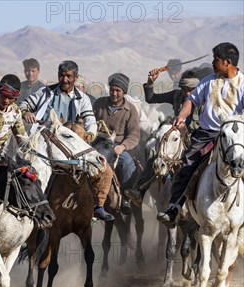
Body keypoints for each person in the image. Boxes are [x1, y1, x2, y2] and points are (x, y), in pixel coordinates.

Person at [157, 42, 244, 227]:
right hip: (206, 134)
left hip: (233, 137)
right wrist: (181, 115)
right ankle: (174, 208)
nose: (213, 63)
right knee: (188, 163)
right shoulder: (209, 81)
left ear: (228, 62)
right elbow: (191, 101)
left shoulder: (242, 84)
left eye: (216, 60)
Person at [19, 60, 115, 221]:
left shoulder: (82, 98)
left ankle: (98, 206)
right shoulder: (46, 92)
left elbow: (90, 120)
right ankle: (24, 207)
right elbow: (24, 104)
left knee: (104, 167)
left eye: (69, 76)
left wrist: (89, 135)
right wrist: (26, 111)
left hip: (73, 143)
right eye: (62, 76)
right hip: (47, 142)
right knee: (23, 168)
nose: (64, 80)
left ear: (75, 77)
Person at [124, 69, 201, 206]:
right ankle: (140, 189)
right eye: (184, 89)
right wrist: (150, 84)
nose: (187, 93)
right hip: (176, 138)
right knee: (155, 152)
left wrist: (189, 130)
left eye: (191, 89)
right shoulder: (177, 95)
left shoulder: (204, 99)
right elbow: (152, 98)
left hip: (197, 139)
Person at [93, 73, 141, 214]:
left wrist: (123, 146)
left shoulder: (130, 109)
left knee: (127, 163)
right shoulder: (99, 104)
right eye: (112, 89)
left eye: (118, 91)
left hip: (118, 146)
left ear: (124, 92)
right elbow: (89, 122)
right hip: (98, 142)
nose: (114, 93)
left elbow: (134, 134)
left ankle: (126, 198)